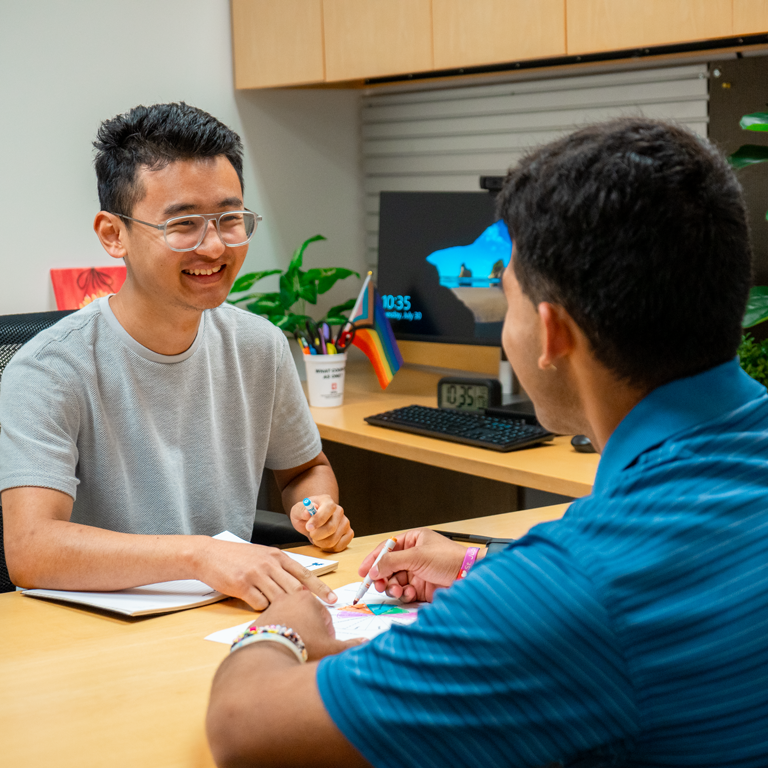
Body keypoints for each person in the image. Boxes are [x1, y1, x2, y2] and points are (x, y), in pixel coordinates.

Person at [205, 117, 768, 767]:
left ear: (552, 333)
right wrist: (480, 569)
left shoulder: (576, 590)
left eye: (506, 295)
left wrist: (284, 627)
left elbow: (246, 731)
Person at [0, 103, 353, 609]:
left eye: (230, 219)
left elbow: (303, 470)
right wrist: (199, 556)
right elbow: (32, 550)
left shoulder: (259, 346)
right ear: (113, 234)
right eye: (183, 224)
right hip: (93, 632)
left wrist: (315, 509)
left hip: (221, 612)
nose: (214, 246)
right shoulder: (49, 369)